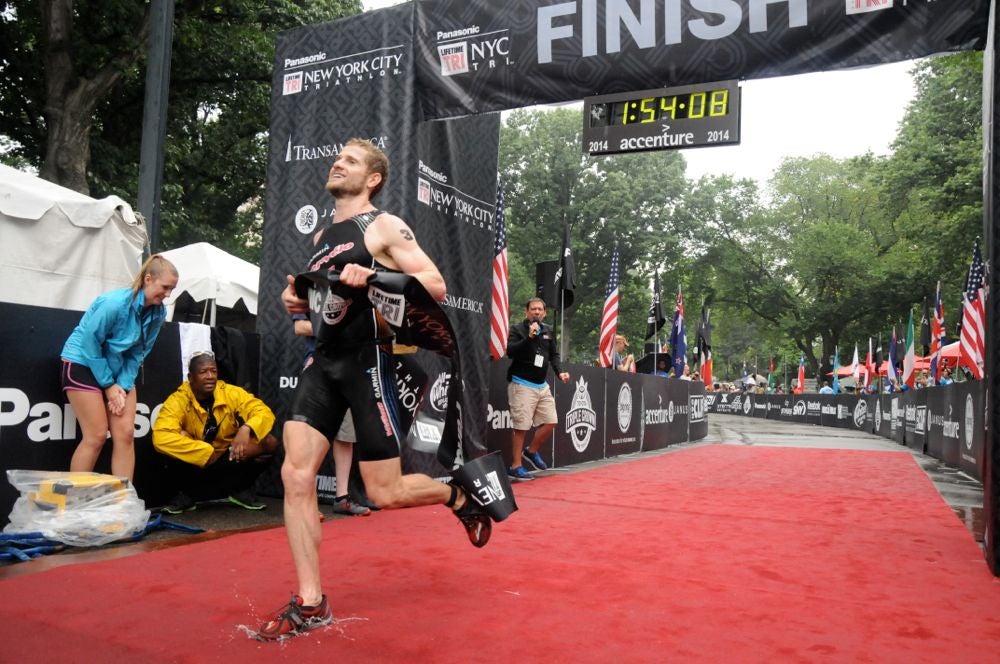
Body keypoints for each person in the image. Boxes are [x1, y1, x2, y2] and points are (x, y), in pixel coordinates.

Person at [256, 139, 491, 642]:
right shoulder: (323, 235)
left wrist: (376, 275)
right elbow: (321, 312)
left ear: (373, 179)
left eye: (351, 160)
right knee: (295, 475)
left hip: (370, 363)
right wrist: (296, 302)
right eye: (338, 157)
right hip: (324, 363)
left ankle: (455, 495)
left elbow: (435, 284)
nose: (338, 163)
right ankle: (311, 602)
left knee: (385, 493)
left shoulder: (383, 226)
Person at [60, 254, 178, 481]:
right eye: (165, 287)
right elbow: (89, 343)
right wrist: (108, 386)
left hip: (116, 370)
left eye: (172, 289)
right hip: (82, 362)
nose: (168, 294)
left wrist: (121, 387)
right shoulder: (113, 303)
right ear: (148, 279)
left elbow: (138, 352)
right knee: (96, 435)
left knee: (125, 433)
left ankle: (124, 498)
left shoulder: (159, 312)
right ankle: (73, 497)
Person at [153, 351, 279, 512]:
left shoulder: (230, 392)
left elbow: (263, 412)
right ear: (191, 377)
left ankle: (240, 490)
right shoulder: (178, 400)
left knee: (269, 442)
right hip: (196, 460)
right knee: (178, 437)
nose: (210, 376)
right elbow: (161, 437)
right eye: (203, 372)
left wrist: (246, 428)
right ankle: (186, 495)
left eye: (213, 371)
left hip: (226, 455)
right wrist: (204, 452)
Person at [292, 314, 371, 517]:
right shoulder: (308, 292)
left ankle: (342, 498)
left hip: (350, 367)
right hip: (319, 368)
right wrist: (341, 327)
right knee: (312, 436)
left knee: (345, 436)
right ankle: (306, 500)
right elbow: (300, 327)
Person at [505, 297, 571, 482]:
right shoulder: (517, 329)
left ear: (544, 313)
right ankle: (515, 466)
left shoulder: (548, 331)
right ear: (527, 312)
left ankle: (531, 451)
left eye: (540, 309)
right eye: (533, 309)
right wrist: (530, 337)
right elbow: (510, 351)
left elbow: (554, 355)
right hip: (521, 384)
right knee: (521, 427)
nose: (536, 312)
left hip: (542, 385)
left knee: (551, 421)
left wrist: (560, 372)